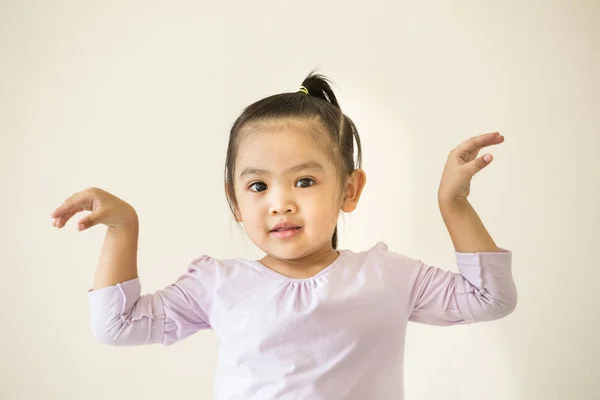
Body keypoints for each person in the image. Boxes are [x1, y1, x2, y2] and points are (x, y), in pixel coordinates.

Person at [51, 72, 517, 399]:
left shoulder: (385, 276)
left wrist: (453, 203)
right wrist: (122, 228)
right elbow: (117, 326)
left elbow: (490, 298)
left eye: (305, 181)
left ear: (349, 190)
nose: (280, 203)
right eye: (258, 186)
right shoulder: (218, 285)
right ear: (236, 203)